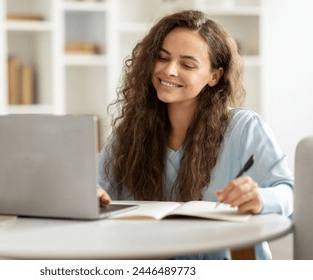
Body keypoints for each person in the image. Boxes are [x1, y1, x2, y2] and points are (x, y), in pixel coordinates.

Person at [97, 10, 294, 259]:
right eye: (162, 58)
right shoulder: (129, 133)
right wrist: (88, 195)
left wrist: (261, 198)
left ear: (214, 76)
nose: (169, 70)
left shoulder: (244, 127)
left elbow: (290, 193)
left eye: (187, 64)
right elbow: (93, 189)